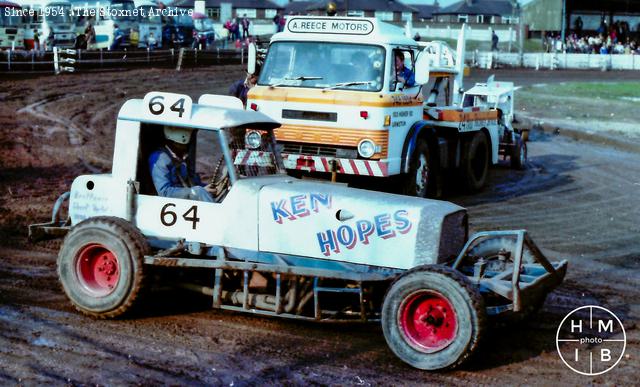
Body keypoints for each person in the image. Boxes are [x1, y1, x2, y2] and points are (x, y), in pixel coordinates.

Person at [149, 126, 215, 202]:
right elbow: (164, 192)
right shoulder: (160, 158)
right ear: (176, 143)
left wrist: (206, 188)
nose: (187, 147)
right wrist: (194, 192)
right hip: (168, 203)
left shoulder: (180, 157)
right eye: (183, 145)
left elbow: (191, 181)